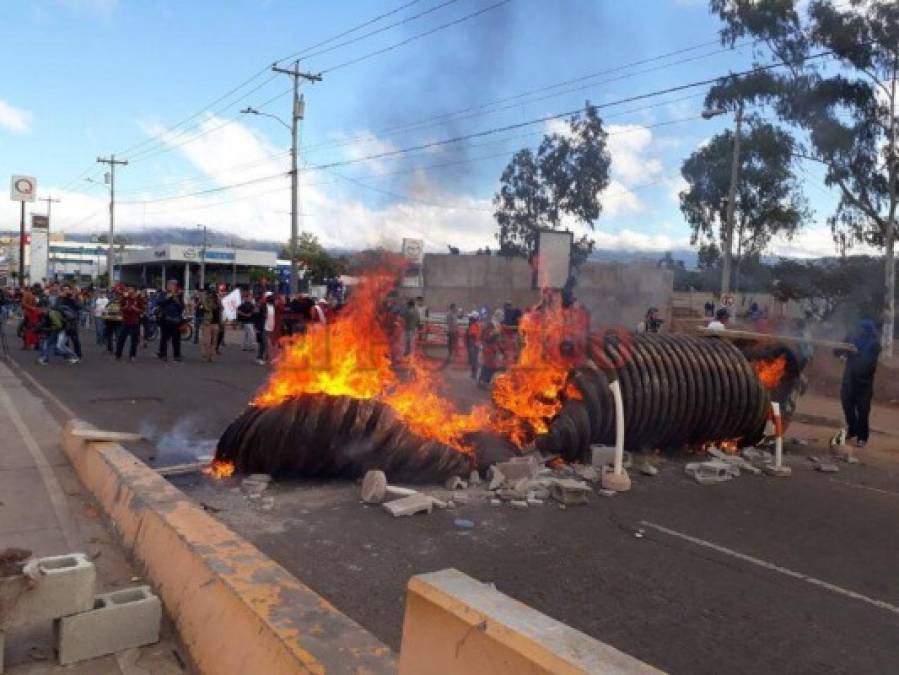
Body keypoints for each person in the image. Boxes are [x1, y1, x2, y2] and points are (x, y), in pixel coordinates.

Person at [836, 319, 881, 448]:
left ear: (867, 330)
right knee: (847, 404)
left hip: (864, 382)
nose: (858, 330)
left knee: (863, 410)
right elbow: (837, 350)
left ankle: (862, 437)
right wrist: (843, 351)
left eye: (861, 328)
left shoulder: (875, 345)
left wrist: (855, 353)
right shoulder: (852, 338)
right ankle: (852, 429)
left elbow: (868, 362)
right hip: (849, 379)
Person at [37, 297, 79, 365]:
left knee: (60, 346)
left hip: (64, 329)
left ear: (45, 307)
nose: (40, 310)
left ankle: (74, 357)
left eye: (40, 308)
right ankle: (44, 358)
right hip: (58, 330)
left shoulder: (52, 313)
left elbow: (58, 325)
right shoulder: (49, 312)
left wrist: (46, 329)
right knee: (47, 343)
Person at [156, 282, 185, 362]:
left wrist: (177, 301)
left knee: (176, 339)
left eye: (173, 286)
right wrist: (168, 298)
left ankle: (177, 355)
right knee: (164, 338)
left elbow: (182, 308)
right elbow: (160, 303)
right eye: (170, 285)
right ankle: (163, 354)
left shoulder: (178, 296)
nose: (171, 287)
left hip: (176, 320)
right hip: (165, 319)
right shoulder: (163, 294)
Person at [115, 285, 145, 361]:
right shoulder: (125, 298)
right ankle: (118, 354)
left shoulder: (139, 299)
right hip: (125, 322)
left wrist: (135, 309)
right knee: (121, 339)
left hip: (135, 322)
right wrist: (123, 308)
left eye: (130, 289)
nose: (128, 290)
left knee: (134, 340)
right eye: (128, 289)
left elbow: (142, 310)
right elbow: (119, 309)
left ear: (134, 290)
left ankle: (132, 355)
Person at [478, 309, 505, 388]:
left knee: (488, 366)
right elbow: (487, 337)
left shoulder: (497, 325)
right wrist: (493, 334)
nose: (502, 318)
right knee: (489, 366)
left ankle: (482, 382)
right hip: (488, 348)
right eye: (501, 316)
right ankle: (483, 382)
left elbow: (497, 340)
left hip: (492, 348)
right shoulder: (491, 325)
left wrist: (501, 349)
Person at [57, 285, 83, 359]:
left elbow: (79, 306)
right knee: (65, 339)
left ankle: (78, 354)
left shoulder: (74, 298)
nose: (66, 291)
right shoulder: (61, 298)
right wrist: (60, 297)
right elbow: (57, 307)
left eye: (67, 289)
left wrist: (75, 298)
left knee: (75, 338)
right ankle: (66, 354)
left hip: (73, 321)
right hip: (63, 320)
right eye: (64, 290)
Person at [199, 287, 222, 362]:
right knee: (207, 340)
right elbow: (207, 308)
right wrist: (206, 298)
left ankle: (211, 355)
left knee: (214, 340)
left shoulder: (217, 300)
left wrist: (218, 300)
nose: (214, 294)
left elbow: (221, 308)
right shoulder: (206, 300)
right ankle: (206, 354)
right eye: (212, 292)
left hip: (216, 322)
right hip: (208, 322)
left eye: (214, 292)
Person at [465, 311, 481, 379]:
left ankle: (474, 374)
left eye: (471, 318)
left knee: (474, 359)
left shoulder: (474, 325)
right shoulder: (475, 324)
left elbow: (473, 335)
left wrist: (471, 345)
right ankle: (473, 374)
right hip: (475, 344)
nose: (469, 319)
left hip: (474, 344)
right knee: (474, 359)